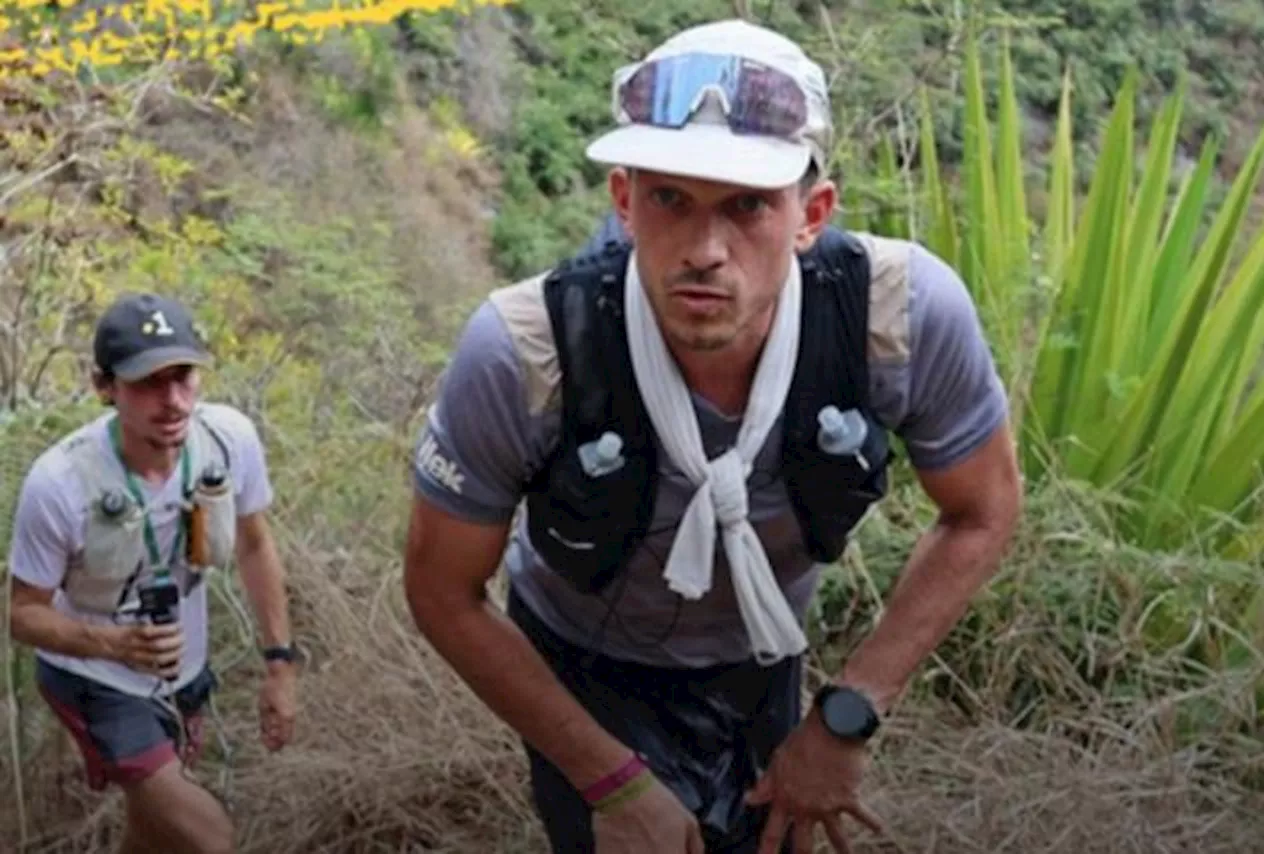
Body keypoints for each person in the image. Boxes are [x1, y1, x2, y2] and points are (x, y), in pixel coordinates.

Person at [401, 17, 1022, 854]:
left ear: (812, 214)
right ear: (623, 201)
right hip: (580, 658)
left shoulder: (897, 317)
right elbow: (442, 589)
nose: (705, 250)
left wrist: (845, 718)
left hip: (763, 654)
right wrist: (610, 782)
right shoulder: (528, 349)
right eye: (670, 200)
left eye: (747, 207)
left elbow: (983, 509)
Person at [7, 293, 301, 854]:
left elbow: (256, 544)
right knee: (210, 840)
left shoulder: (227, 440)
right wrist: (115, 643)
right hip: (95, 680)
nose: (172, 401)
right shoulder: (61, 483)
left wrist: (280, 664)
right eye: (147, 382)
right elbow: (22, 614)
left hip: (182, 673)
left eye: (183, 376)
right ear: (105, 387)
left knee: (157, 835)